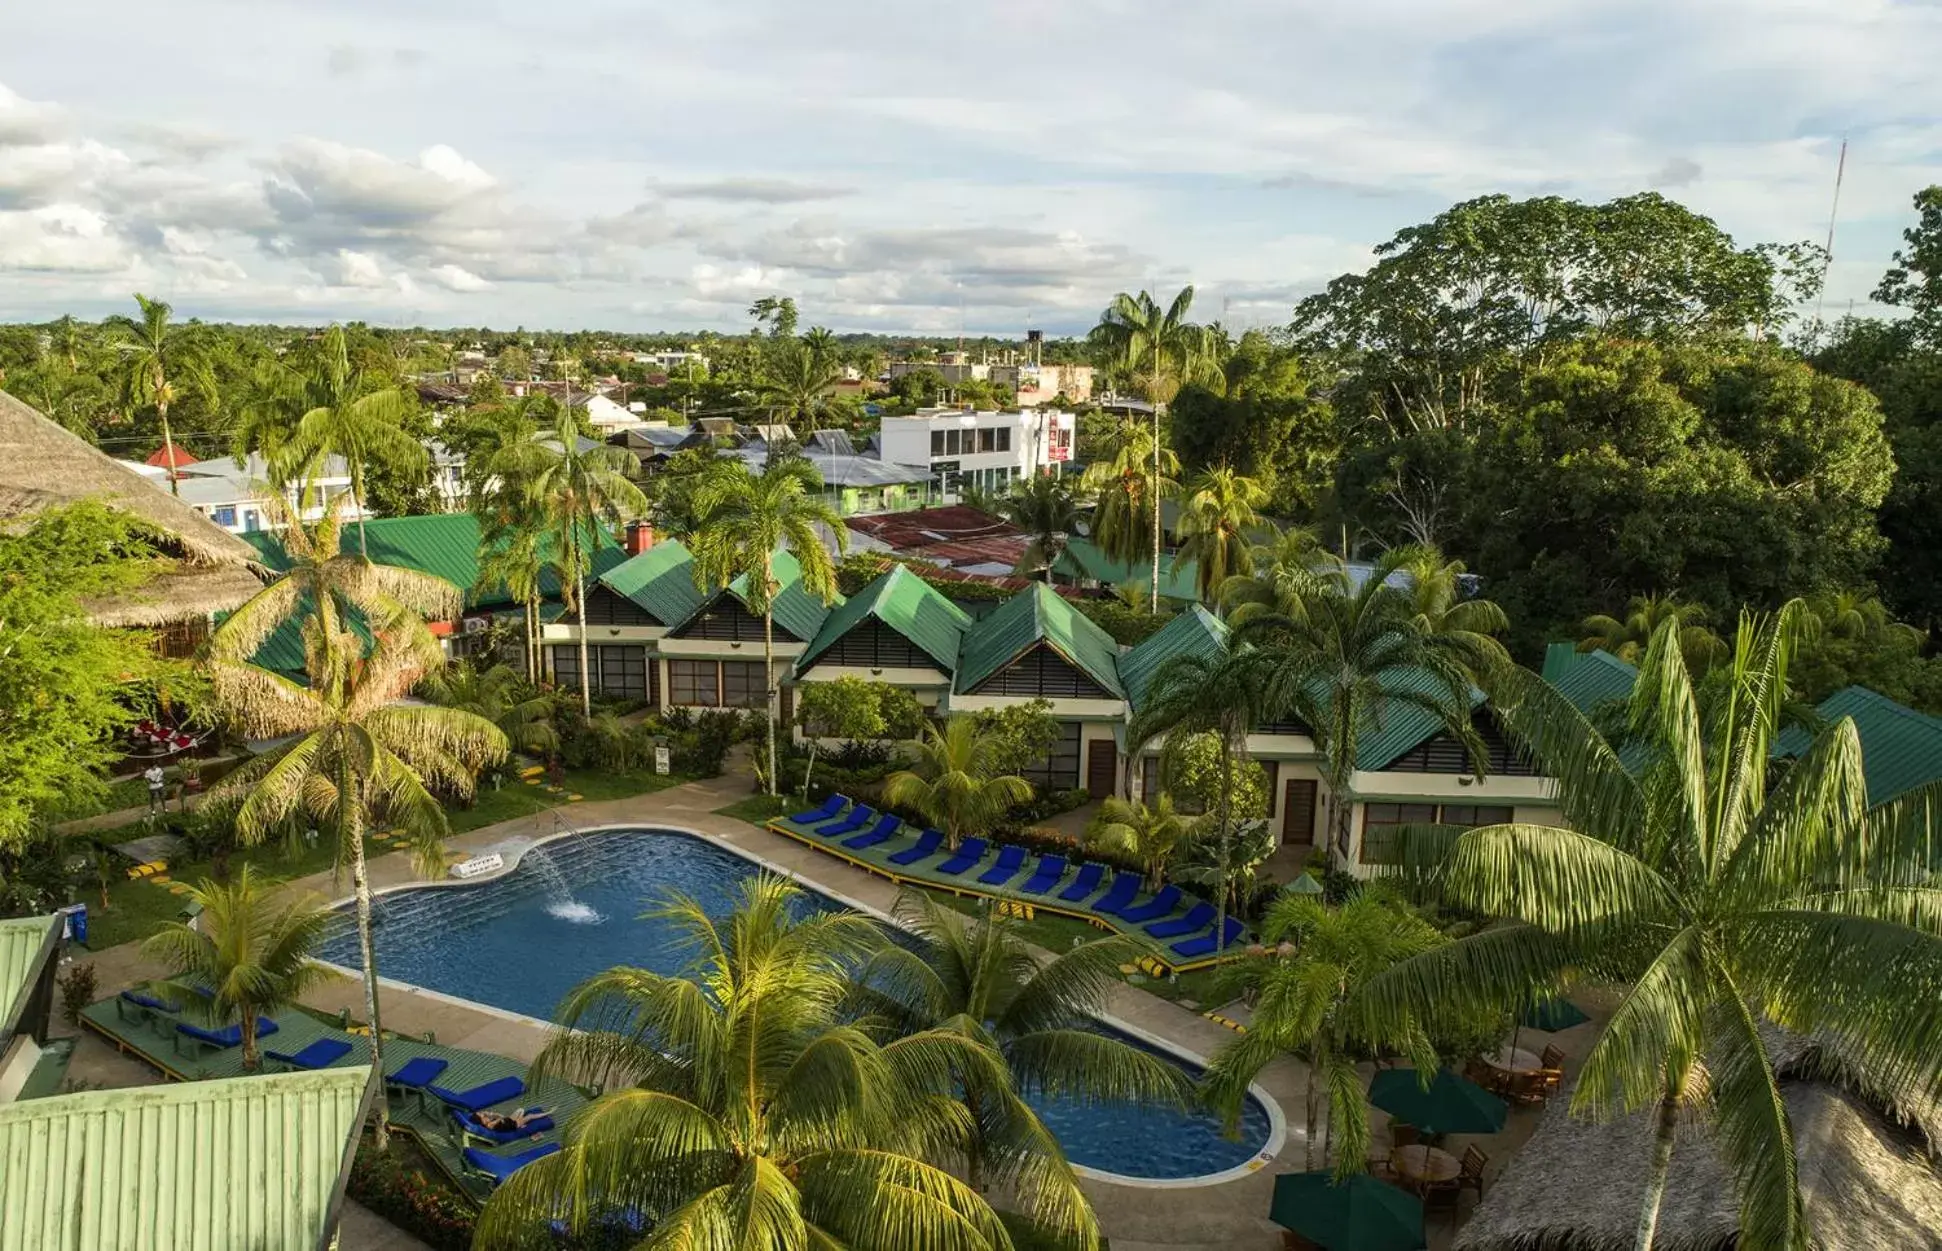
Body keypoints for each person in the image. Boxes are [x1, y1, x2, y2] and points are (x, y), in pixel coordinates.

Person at [474, 1107, 544, 1133]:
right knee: (530, 1116)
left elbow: (502, 1118)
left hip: (508, 1120)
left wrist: (489, 1115)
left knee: (521, 1109)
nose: (482, 1114)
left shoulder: (487, 1121)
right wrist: (491, 1114)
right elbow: (501, 1116)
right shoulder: (489, 1124)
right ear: (481, 1120)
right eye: (480, 1114)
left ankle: (521, 1122)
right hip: (512, 1125)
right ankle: (548, 1113)